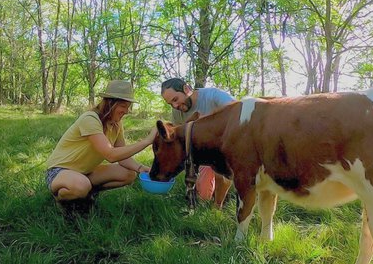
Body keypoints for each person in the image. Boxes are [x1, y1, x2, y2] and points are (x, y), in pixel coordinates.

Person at [46, 80, 156, 210]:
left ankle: (86, 194)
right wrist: (147, 141)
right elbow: (110, 155)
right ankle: (61, 198)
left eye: (128, 106)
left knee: (129, 174)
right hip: (60, 171)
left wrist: (140, 168)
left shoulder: (116, 124)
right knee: (81, 185)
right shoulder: (90, 119)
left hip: (86, 172)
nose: (127, 111)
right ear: (110, 103)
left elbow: (121, 155)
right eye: (123, 106)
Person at [160, 78, 235, 206]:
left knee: (219, 172)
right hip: (203, 151)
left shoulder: (213, 95)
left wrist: (206, 122)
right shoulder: (177, 112)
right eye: (170, 104)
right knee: (203, 194)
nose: (175, 106)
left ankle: (218, 205)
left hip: (228, 144)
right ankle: (204, 199)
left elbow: (238, 112)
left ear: (186, 89)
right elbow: (180, 138)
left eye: (175, 99)